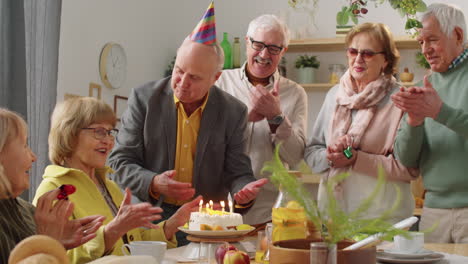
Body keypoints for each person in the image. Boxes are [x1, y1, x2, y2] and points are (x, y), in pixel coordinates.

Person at [108, 4, 267, 246]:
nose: (182, 83)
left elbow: (238, 172)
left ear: (215, 78)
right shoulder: (144, 99)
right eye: (179, 71)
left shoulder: (233, 111)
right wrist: (154, 182)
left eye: (194, 77)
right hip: (149, 221)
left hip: (204, 223)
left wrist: (243, 193)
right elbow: (118, 162)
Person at [33, 97, 201, 263]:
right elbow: (52, 258)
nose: (108, 141)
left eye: (110, 132)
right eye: (98, 131)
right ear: (69, 133)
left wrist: (173, 223)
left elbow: (132, 243)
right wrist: (112, 232)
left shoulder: (110, 186)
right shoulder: (54, 190)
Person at [304, 23, 418, 223]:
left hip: (382, 219)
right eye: (353, 51)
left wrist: (354, 158)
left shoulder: (401, 99)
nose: (358, 59)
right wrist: (331, 156)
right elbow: (313, 151)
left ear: (386, 60)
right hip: (333, 217)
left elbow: (409, 168)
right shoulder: (334, 96)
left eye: (367, 53)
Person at [215, 14, 307, 225]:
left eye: (274, 48)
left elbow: (295, 157)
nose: (264, 54)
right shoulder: (220, 83)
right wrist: (246, 118)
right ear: (247, 42)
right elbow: (203, 140)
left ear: (283, 52)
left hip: (266, 213)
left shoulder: (295, 93)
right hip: (217, 210)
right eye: (258, 45)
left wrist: (276, 118)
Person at [392, 3, 468, 243]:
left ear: (457, 35)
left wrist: (440, 112)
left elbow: (443, 114)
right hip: (433, 212)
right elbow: (405, 159)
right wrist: (414, 122)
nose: (426, 50)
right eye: (421, 43)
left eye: (432, 40)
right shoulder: (426, 87)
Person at [0, 108, 105, 263]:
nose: (33, 157)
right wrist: (47, 240)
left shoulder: (27, 211)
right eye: (24, 145)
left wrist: (56, 244)